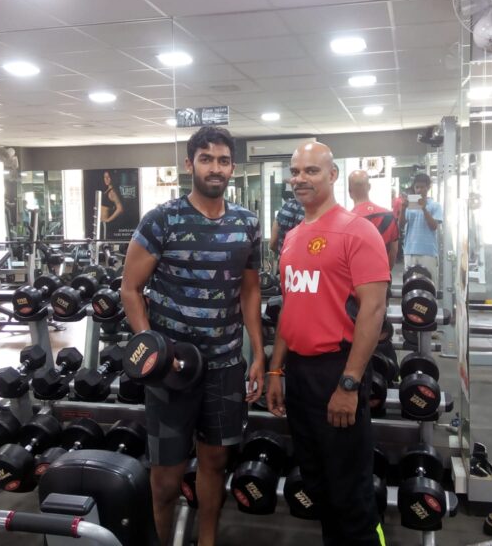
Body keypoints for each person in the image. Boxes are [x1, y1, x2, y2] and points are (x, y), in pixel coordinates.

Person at [121, 125, 265, 546]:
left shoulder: (247, 223)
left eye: (223, 160)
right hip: (172, 370)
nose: (215, 168)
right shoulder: (162, 219)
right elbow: (130, 289)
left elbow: (250, 290)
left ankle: (207, 541)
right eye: (206, 159)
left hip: (225, 366)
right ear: (190, 164)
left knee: (215, 463)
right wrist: (151, 350)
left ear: (233, 168)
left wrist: (258, 352)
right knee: (165, 478)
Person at [266, 141, 389, 546]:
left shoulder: (358, 231)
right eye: (295, 171)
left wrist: (349, 383)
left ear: (333, 175)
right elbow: (291, 307)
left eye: (311, 170)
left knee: (350, 492)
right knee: (317, 483)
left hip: (338, 369)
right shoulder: (292, 237)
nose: (300, 179)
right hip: (300, 373)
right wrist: (276, 369)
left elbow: (373, 309)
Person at [348, 170, 399, 269]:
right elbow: (394, 251)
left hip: (358, 275)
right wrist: (386, 271)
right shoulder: (389, 216)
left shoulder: (347, 221)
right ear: (369, 187)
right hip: (383, 273)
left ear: (350, 191)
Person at [400, 173, 443, 282]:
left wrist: (424, 209)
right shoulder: (410, 206)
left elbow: (434, 226)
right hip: (410, 251)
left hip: (428, 252)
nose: (419, 190)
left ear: (428, 188)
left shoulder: (435, 205)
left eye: (422, 187)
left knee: (429, 284)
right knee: (410, 284)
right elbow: (401, 225)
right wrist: (403, 208)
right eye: (417, 187)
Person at [268, 192, 304, 258]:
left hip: (284, 260)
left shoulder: (286, 206)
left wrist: (283, 253)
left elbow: (272, 243)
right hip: (306, 261)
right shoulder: (316, 209)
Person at [100, 170, 124, 239]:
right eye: (105, 177)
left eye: (108, 177)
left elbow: (120, 209)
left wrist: (108, 220)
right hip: (102, 224)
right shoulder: (107, 190)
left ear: (112, 178)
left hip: (106, 225)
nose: (106, 179)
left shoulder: (112, 192)